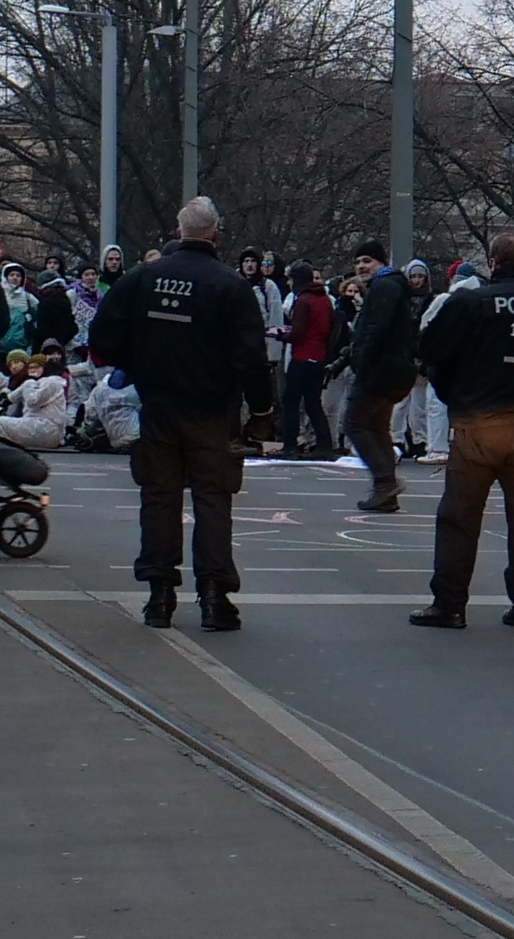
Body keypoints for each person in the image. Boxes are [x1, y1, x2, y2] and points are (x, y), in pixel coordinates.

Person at [88, 194, 271, 630]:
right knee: (212, 500)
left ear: (178, 231)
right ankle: (213, 596)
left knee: (159, 498)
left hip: (158, 408)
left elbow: (102, 337)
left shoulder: (142, 278)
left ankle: (159, 595)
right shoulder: (230, 285)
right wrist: (261, 412)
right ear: (215, 234)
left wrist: (137, 365)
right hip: (211, 411)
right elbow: (251, 358)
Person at [411, 231, 514, 631]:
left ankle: (449, 604)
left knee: (459, 517)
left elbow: (431, 352)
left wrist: (452, 393)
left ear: (492, 261)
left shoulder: (469, 303)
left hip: (477, 421)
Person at [339, 244, 424, 516]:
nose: (361, 266)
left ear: (381, 262)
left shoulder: (385, 286)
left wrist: (360, 360)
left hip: (380, 369)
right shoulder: (390, 286)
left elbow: (376, 329)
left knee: (354, 423)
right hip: (392, 368)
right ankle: (385, 492)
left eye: (367, 261)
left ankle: (385, 482)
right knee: (377, 428)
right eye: (357, 262)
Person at [279, 263, 339, 458]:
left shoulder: (303, 301)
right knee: (313, 403)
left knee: (291, 402)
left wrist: (280, 335)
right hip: (319, 356)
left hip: (302, 356)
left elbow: (297, 334)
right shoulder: (324, 299)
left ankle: (290, 445)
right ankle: (324, 445)